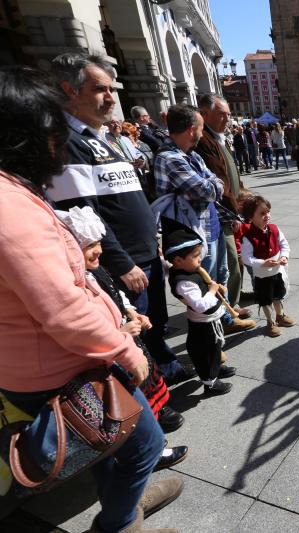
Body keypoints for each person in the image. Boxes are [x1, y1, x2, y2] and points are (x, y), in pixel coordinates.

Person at [0, 65, 182, 533]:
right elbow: (61, 309)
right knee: (143, 443)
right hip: (61, 365)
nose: (58, 141)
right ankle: (120, 523)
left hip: (63, 358)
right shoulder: (10, 207)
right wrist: (125, 351)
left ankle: (127, 504)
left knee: (111, 438)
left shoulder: (14, 192)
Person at [47, 52, 189, 384]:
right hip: (123, 263)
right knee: (132, 331)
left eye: (112, 89)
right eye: (101, 89)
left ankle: (164, 371)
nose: (111, 97)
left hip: (143, 255)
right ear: (70, 90)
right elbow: (85, 216)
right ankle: (151, 395)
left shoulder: (102, 139)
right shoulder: (70, 143)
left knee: (155, 323)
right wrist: (122, 262)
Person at [58, 205, 188, 446]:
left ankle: (157, 414)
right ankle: (145, 436)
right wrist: (119, 333)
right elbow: (87, 327)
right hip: (113, 353)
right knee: (130, 394)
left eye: (98, 243)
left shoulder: (97, 272)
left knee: (147, 380)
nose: (97, 250)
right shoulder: (75, 285)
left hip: (129, 342)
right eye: (89, 247)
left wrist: (131, 311)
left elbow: (117, 295)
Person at [153, 104, 257, 336]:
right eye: (200, 128)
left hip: (211, 224)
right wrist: (214, 185)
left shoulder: (191, 155)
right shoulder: (170, 158)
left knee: (221, 274)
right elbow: (208, 190)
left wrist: (213, 184)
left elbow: (214, 181)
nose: (202, 133)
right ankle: (211, 331)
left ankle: (226, 317)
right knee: (203, 281)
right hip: (191, 233)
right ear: (192, 129)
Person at [164, 218, 237, 397]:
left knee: (215, 347)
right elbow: (200, 305)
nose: (199, 259)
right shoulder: (184, 282)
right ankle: (210, 383)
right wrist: (212, 291)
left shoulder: (189, 270)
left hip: (210, 322)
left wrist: (215, 286)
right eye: (195, 256)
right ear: (178, 260)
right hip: (203, 324)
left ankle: (216, 368)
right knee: (207, 353)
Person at [195, 94, 252, 320]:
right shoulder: (204, 140)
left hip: (229, 209)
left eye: (228, 114)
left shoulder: (216, 136)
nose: (227, 118)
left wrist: (244, 193)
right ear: (205, 114)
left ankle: (234, 297)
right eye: (222, 114)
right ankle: (228, 309)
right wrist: (234, 210)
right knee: (228, 262)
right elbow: (219, 178)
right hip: (221, 213)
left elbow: (230, 172)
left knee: (234, 259)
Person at [239, 195, 296, 337]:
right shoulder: (248, 237)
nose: (267, 216)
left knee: (278, 296)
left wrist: (284, 256)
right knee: (265, 300)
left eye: (268, 212)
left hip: (277, 272)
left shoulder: (274, 229)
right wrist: (262, 263)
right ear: (251, 217)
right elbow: (246, 258)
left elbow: (284, 244)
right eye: (262, 213)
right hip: (262, 276)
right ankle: (270, 322)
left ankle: (280, 315)